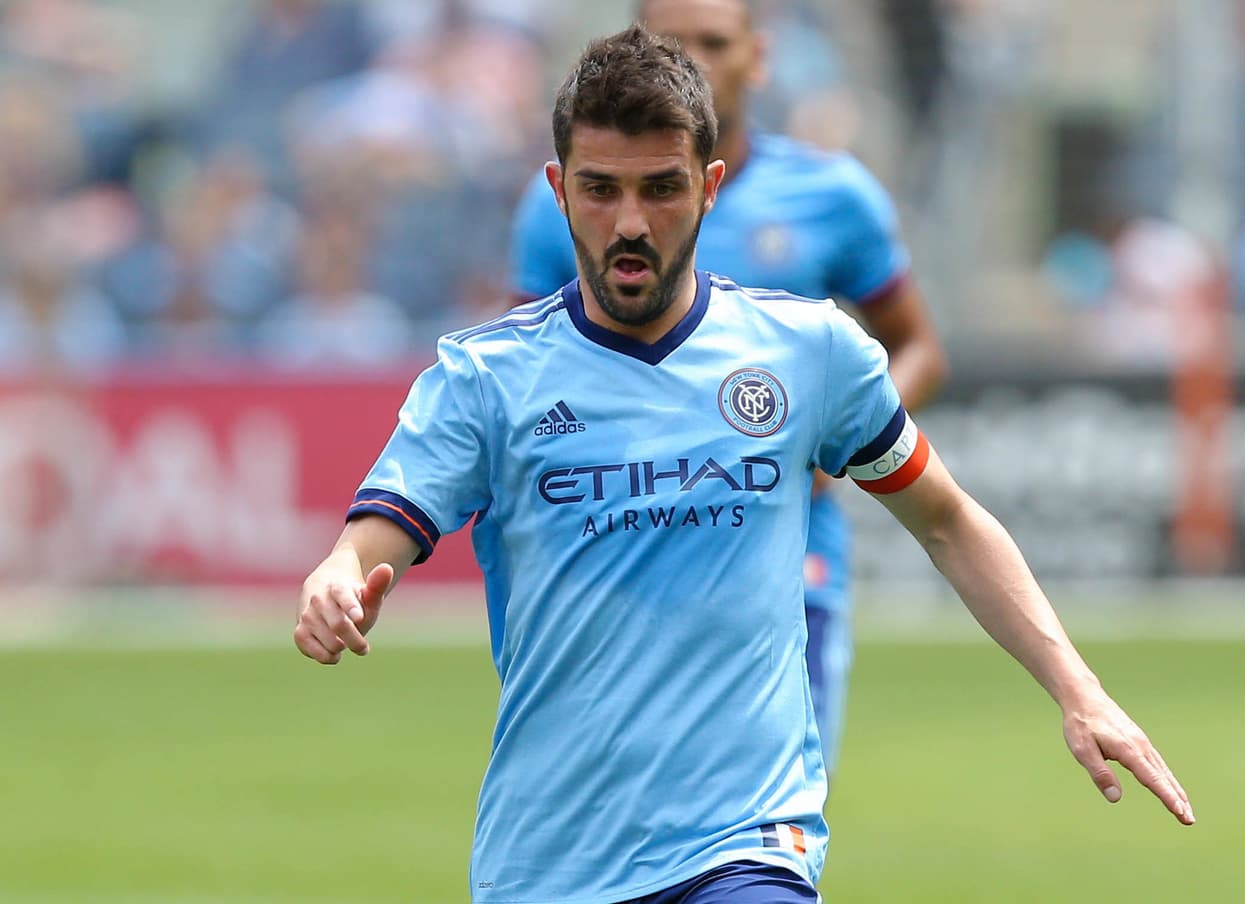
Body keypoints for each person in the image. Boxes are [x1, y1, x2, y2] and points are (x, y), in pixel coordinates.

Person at [295, 24, 1193, 904]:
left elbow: (949, 521)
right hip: (548, 860)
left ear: (712, 186)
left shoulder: (806, 351)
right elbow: (379, 532)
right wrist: (339, 574)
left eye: (663, 189)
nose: (631, 223)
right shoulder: (483, 379)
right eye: (602, 190)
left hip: (745, 845)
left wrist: (1080, 690)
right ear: (558, 191)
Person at [506, 0, 949, 773]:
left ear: (758, 57)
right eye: (675, 44)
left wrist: (837, 441)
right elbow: (524, 375)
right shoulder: (569, 204)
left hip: (792, 557)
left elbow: (915, 349)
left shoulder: (831, 195)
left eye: (714, 43)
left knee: (776, 800)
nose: (697, 62)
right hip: (622, 555)